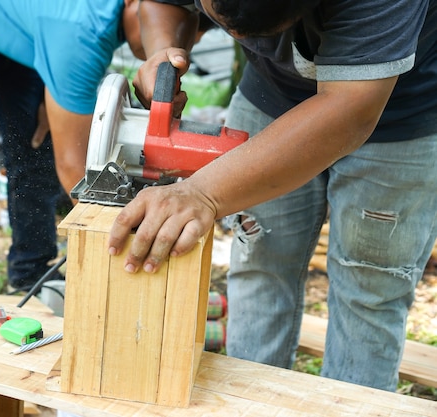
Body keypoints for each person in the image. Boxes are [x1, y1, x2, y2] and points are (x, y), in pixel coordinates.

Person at [108, 0, 437, 392]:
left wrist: (202, 193)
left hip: (399, 114)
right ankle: (248, 401)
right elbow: (164, 3)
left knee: (370, 293)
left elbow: (350, 109)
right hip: (270, 94)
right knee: (259, 266)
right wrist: (164, 48)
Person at [0, 0, 147, 293]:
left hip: (19, 26)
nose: (168, 39)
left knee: (35, 140)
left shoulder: (93, 27)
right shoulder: (81, 29)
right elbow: (74, 167)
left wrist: (53, 95)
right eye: (159, 21)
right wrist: (110, 239)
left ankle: (31, 274)